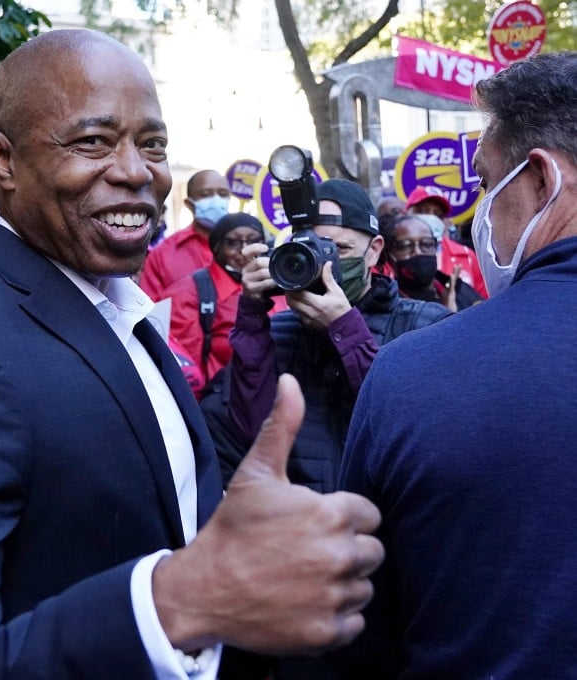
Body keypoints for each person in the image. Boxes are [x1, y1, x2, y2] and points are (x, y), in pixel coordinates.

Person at [0, 29, 384, 680]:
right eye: (92, 142)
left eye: (151, 144)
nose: (135, 170)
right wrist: (180, 601)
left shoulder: (123, 314)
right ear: (3, 160)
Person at [338, 51, 577, 678]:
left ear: (541, 181)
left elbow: (357, 621)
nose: (477, 215)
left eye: (486, 184)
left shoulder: (410, 376)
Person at [228, 179, 450, 495]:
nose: (323, 263)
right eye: (311, 249)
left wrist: (344, 329)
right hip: (306, 523)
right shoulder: (279, 330)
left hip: (389, 522)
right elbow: (249, 430)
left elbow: (419, 430)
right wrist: (251, 314)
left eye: (338, 249)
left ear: (373, 252)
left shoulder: (427, 323)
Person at [161, 212, 273, 388]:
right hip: (221, 404)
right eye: (233, 243)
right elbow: (188, 374)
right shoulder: (187, 293)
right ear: (217, 247)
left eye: (253, 241)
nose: (244, 250)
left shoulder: (276, 285)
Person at [140, 169, 232, 300]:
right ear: (189, 204)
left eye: (223, 194)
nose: (216, 200)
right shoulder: (163, 255)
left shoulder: (246, 246)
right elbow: (152, 313)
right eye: (206, 195)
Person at [381, 213, 482, 312]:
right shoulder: (385, 304)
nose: (418, 252)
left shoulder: (460, 290)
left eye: (426, 244)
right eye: (405, 246)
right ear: (389, 255)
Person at [404, 185, 488, 297]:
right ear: (406, 215)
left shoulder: (467, 256)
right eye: (421, 211)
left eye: (437, 214)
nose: (431, 218)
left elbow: (483, 302)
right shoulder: (391, 255)